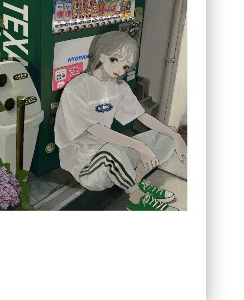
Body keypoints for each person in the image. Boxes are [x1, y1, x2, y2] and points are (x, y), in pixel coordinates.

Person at [54, 31, 187, 211]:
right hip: (84, 162)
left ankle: (137, 181)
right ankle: (136, 199)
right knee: (112, 150)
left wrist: (175, 136)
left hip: (109, 150)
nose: (119, 69)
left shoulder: (119, 86)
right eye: (115, 60)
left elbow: (142, 116)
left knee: (165, 136)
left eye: (125, 66)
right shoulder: (76, 88)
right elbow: (96, 129)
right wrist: (139, 146)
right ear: (101, 54)